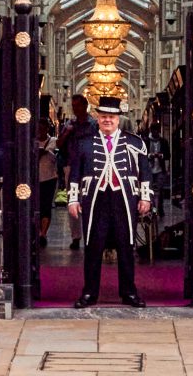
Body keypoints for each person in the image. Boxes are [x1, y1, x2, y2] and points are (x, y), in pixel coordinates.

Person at [68, 94, 150, 309]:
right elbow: (75, 173)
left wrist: (145, 197)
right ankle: (89, 293)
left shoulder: (135, 142)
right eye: (103, 116)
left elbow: (145, 172)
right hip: (95, 200)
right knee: (93, 246)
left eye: (111, 117)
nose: (107, 120)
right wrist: (73, 200)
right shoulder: (84, 143)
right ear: (97, 117)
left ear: (118, 119)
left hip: (124, 199)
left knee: (126, 245)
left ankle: (129, 292)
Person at [57, 93, 93, 245]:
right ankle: (76, 236)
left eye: (78, 106)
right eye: (73, 106)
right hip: (71, 168)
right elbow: (59, 145)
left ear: (85, 106)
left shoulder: (94, 125)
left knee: (90, 201)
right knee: (73, 200)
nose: (76, 109)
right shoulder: (69, 125)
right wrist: (66, 133)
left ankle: (90, 234)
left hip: (90, 169)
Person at [37, 115, 59, 240]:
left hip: (49, 178)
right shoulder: (32, 141)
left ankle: (43, 233)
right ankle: (38, 230)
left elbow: (56, 159)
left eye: (42, 128)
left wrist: (46, 152)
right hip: (35, 178)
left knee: (46, 205)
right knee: (37, 205)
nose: (40, 131)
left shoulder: (53, 141)